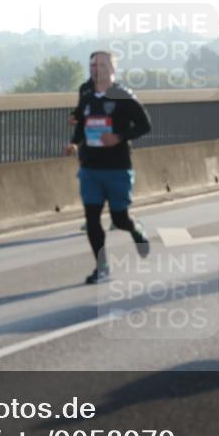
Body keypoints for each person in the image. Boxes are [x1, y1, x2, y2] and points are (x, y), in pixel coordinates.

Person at [65, 51, 152, 284]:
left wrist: (119, 137)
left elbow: (145, 125)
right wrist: (74, 143)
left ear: (113, 70)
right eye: (92, 64)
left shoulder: (123, 96)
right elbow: (82, 123)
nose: (96, 69)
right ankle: (102, 267)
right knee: (92, 218)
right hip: (90, 166)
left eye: (102, 65)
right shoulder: (86, 93)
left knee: (120, 218)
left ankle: (136, 231)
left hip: (117, 166)